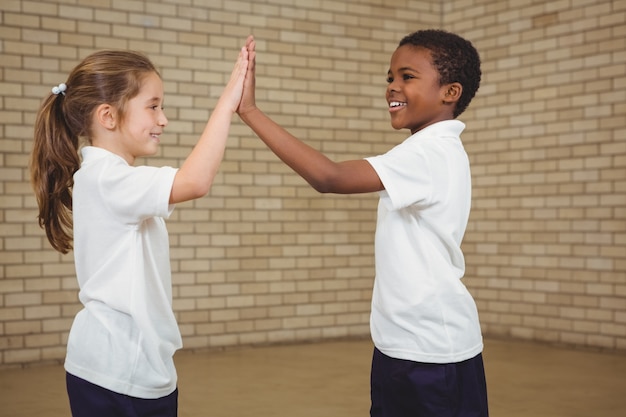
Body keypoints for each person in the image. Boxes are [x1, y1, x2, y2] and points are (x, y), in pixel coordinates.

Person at [238, 30, 488, 416]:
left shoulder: (430, 153)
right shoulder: (426, 150)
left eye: (407, 76)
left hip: (429, 352)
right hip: (405, 345)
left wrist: (250, 111)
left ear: (450, 92)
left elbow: (330, 177)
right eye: (390, 77)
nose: (393, 87)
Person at [30, 37, 252, 417]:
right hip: (116, 371)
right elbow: (195, 181)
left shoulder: (112, 176)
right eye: (153, 106)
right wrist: (227, 103)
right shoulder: (105, 177)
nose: (163, 119)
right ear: (108, 116)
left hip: (134, 368)